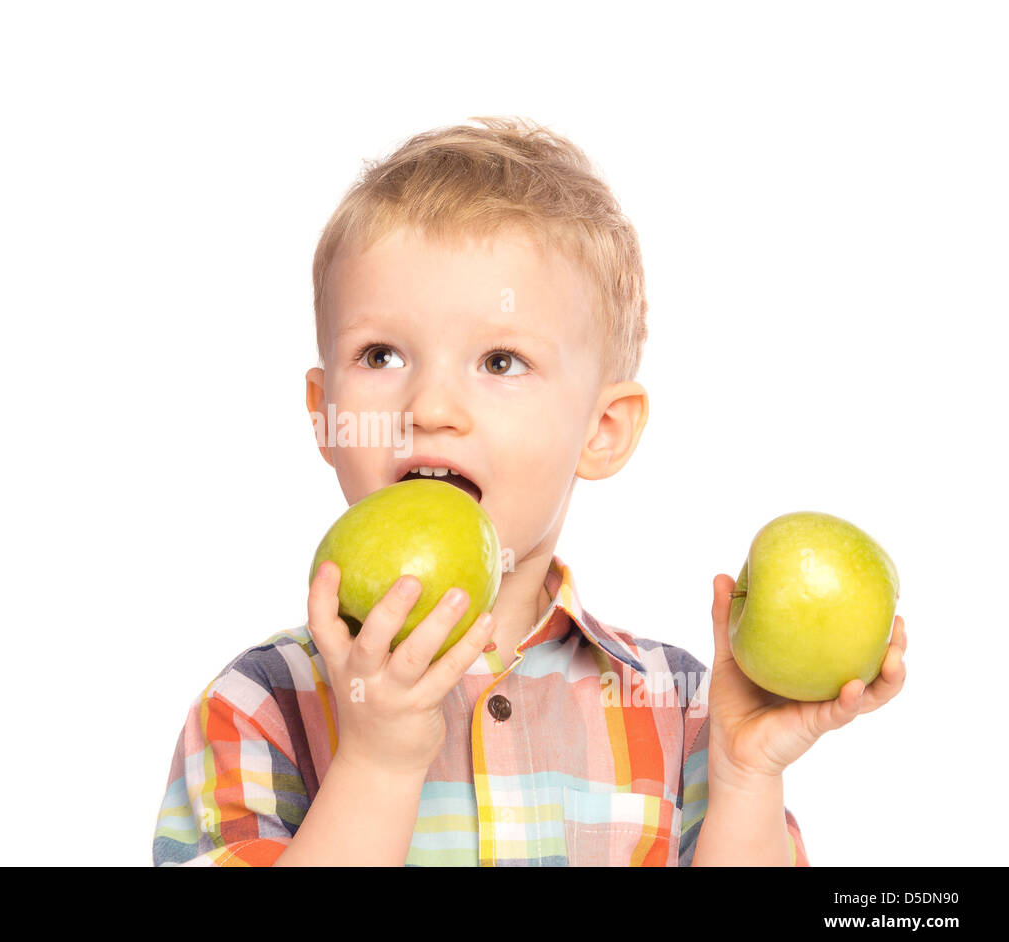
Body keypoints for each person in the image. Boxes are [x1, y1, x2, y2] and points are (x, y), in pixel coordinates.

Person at [152, 116, 908, 866]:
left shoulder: (682, 712)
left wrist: (745, 778)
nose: (431, 408)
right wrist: (377, 763)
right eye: (381, 354)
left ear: (602, 430)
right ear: (326, 416)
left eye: (501, 362)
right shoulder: (259, 706)